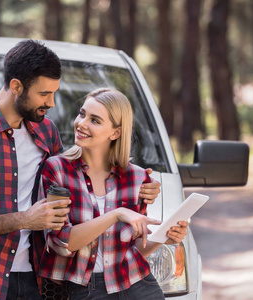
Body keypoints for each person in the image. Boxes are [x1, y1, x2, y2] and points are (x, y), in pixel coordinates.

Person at [0, 40, 161, 300]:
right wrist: (23, 219)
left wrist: (141, 186)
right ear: (17, 86)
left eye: (54, 93)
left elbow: (72, 182)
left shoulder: (45, 130)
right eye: (44, 94)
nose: (51, 103)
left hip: (34, 280)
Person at [38, 88, 188, 299]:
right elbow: (62, 243)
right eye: (82, 114)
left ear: (116, 132)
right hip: (85, 290)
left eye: (95, 120)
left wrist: (165, 237)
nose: (82, 123)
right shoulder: (57, 170)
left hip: (139, 285)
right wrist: (116, 214)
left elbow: (133, 248)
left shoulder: (137, 178)